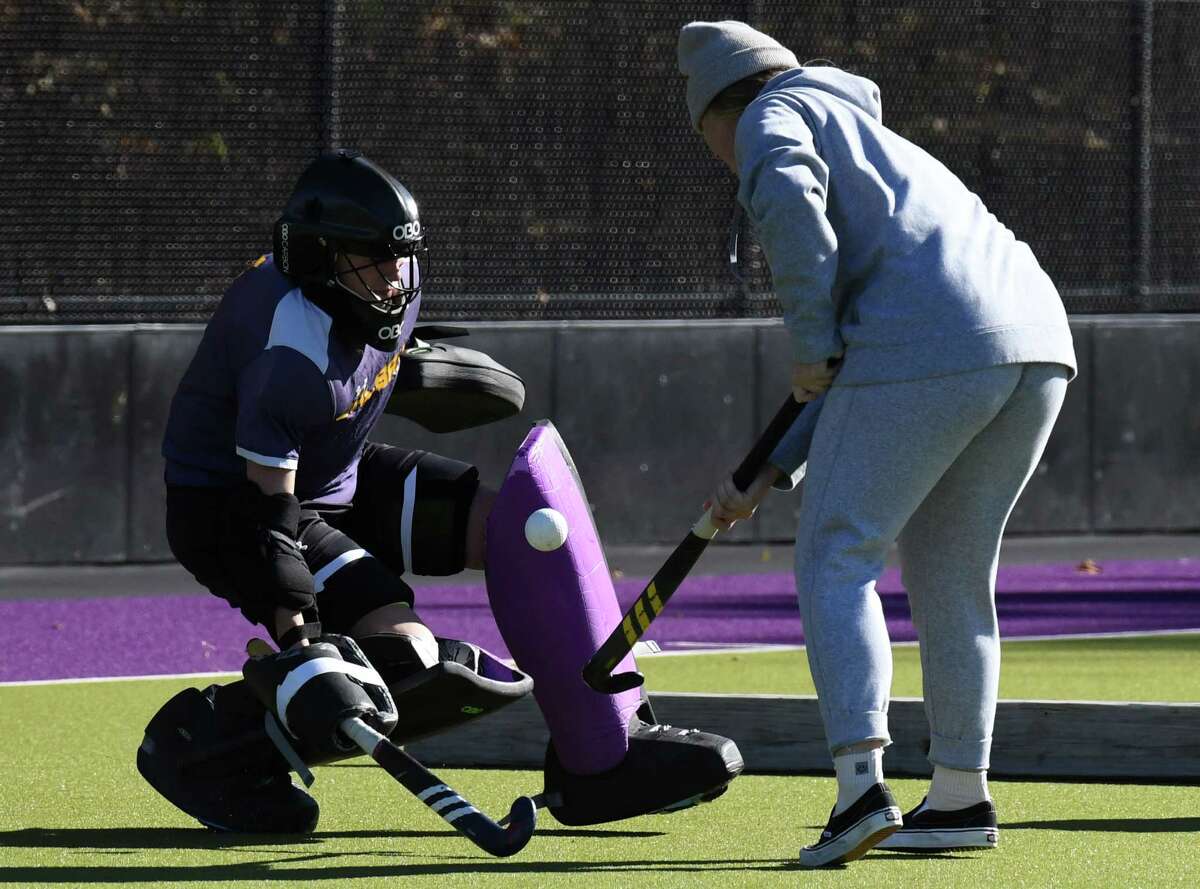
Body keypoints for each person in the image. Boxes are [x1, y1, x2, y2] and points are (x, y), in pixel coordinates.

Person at [138, 148, 742, 833]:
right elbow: (269, 519)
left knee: (525, 530)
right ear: (319, 257)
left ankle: (605, 755)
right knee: (404, 662)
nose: (395, 276)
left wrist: (413, 361)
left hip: (339, 472)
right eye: (374, 258)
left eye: (402, 255)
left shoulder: (390, 286)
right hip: (234, 508)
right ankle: (206, 752)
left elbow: (363, 356)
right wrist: (300, 648)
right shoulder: (288, 354)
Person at [677, 21, 1077, 868]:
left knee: (836, 551)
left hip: (935, 341)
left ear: (719, 110)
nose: (720, 158)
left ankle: (861, 789)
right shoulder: (872, 141)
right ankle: (960, 795)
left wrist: (808, 337)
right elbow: (859, 372)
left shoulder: (771, 117)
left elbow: (799, 230)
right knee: (951, 571)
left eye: (706, 137)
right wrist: (769, 469)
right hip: (1034, 340)